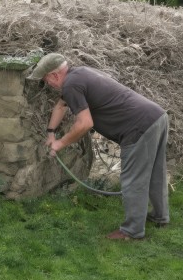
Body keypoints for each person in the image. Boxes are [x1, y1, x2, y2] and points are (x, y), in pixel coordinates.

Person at [27, 53, 169, 240]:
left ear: (54, 75)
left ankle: (132, 232)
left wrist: (59, 144)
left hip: (138, 127)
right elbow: (61, 106)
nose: (48, 84)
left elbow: (85, 123)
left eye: (46, 79)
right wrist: (51, 132)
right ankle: (160, 217)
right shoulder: (80, 74)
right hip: (156, 116)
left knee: (133, 180)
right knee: (155, 173)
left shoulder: (71, 85)